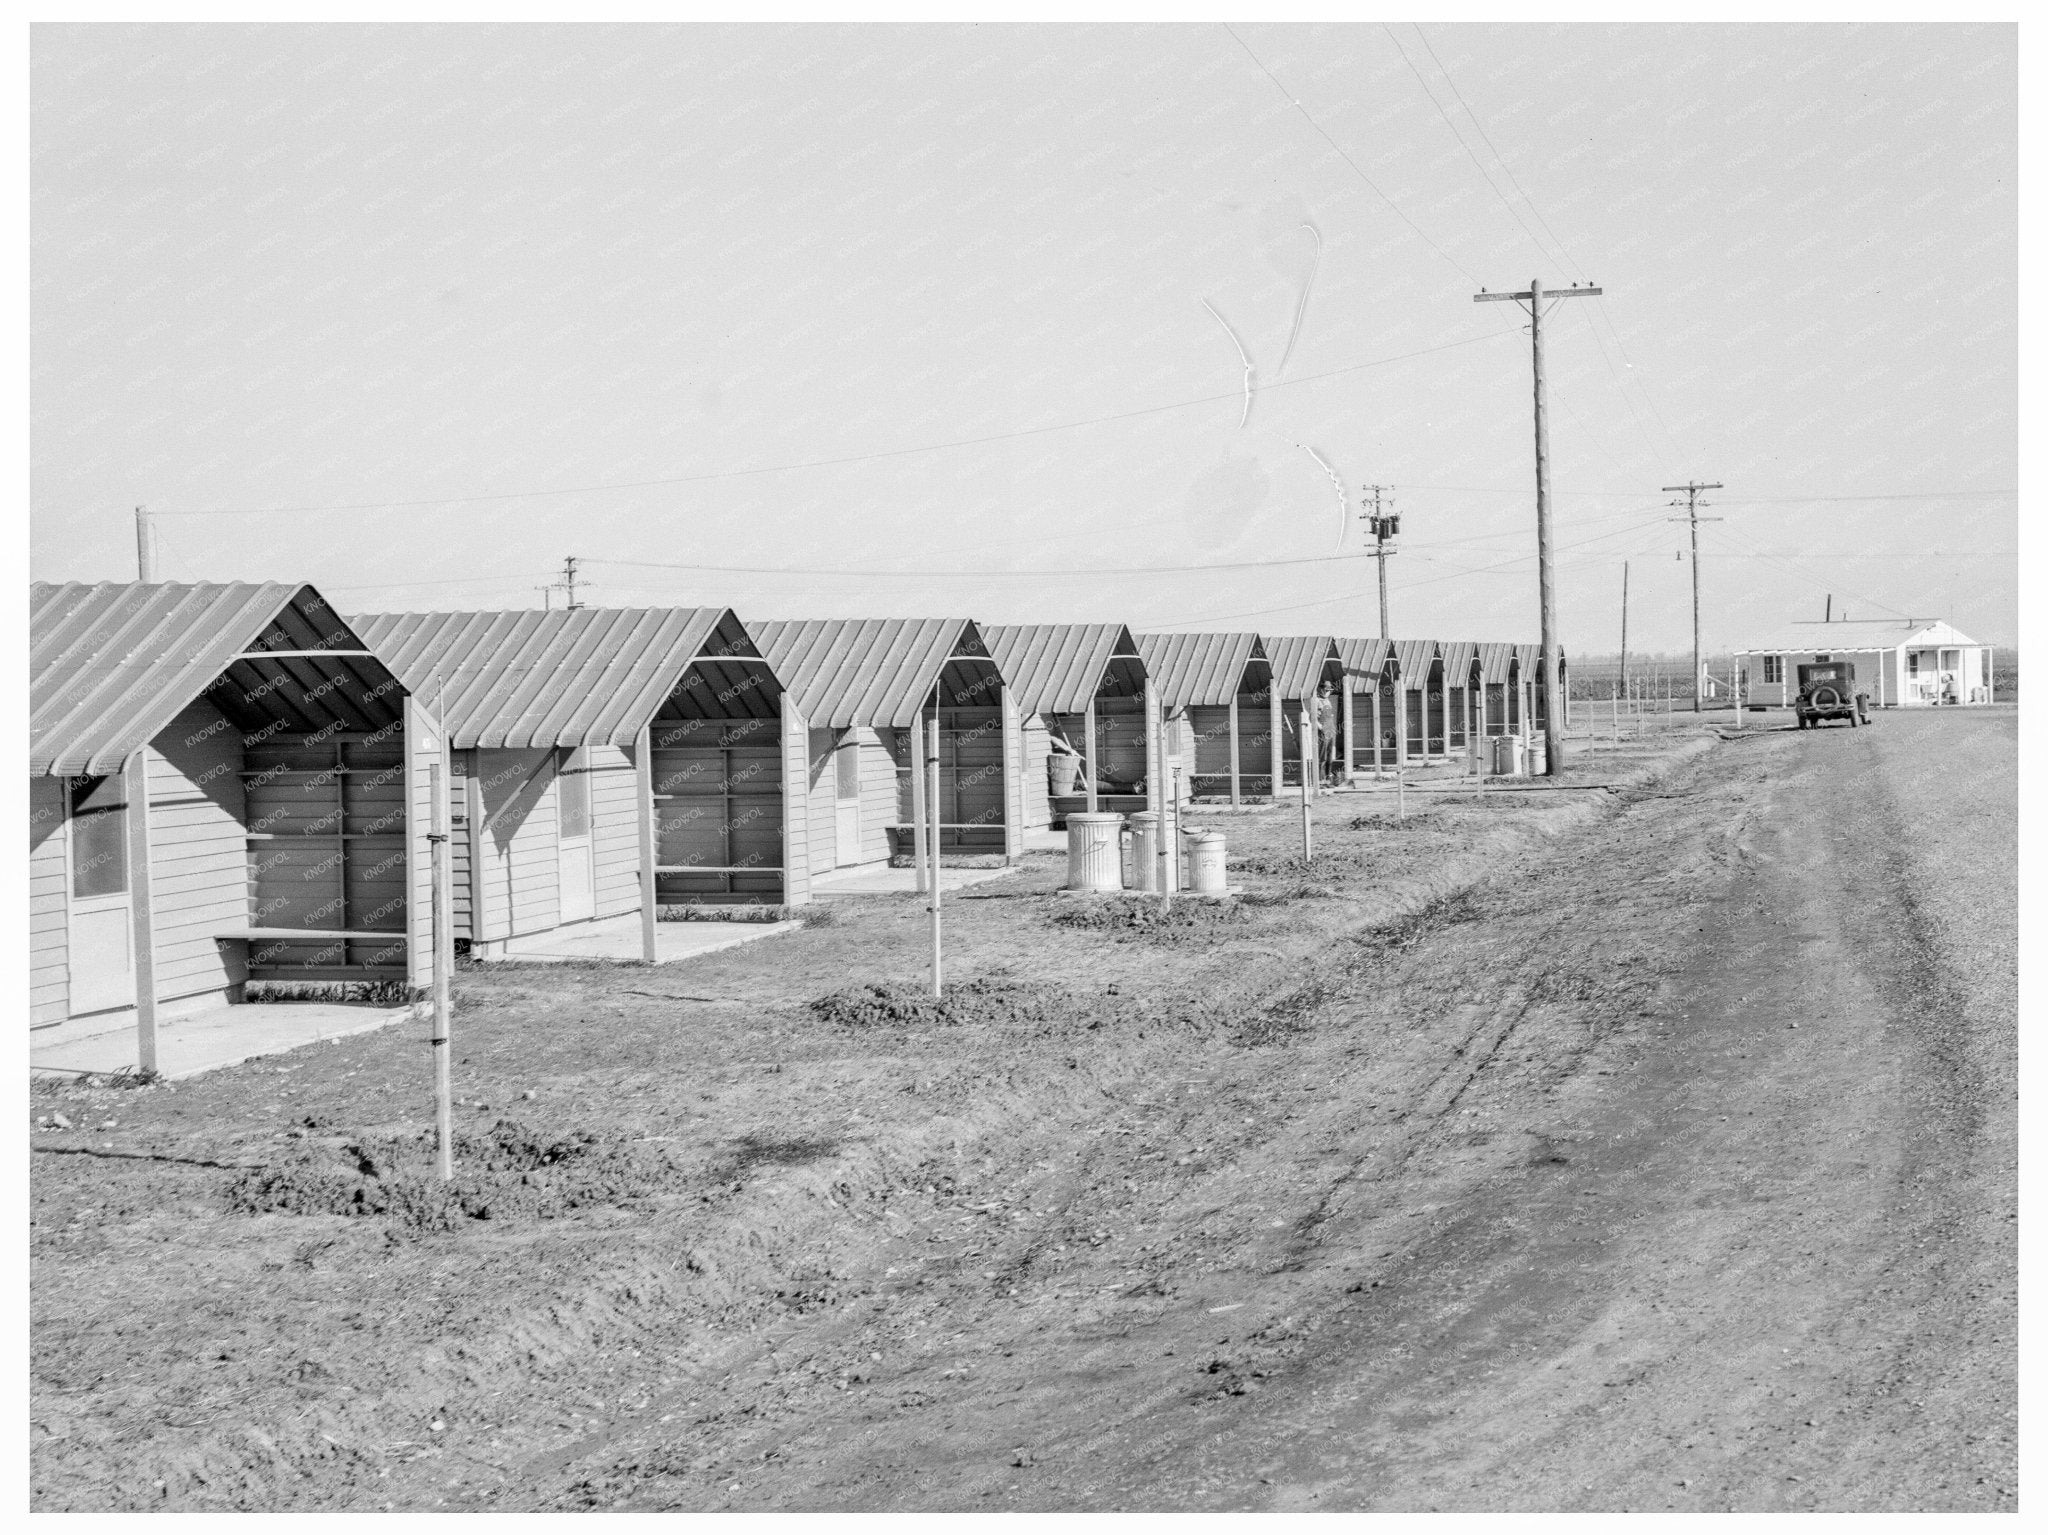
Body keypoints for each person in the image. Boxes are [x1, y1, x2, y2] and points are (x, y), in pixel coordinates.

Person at [1315, 681, 1341, 786]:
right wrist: (1320, 728)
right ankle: (1320, 781)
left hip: (1331, 731)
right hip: (1323, 733)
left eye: (1329, 691)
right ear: (1320, 689)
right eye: (1326, 690)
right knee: (1322, 757)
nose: (1327, 693)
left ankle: (1327, 779)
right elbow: (1312, 718)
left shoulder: (1328, 701)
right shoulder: (1316, 701)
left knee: (1330, 757)